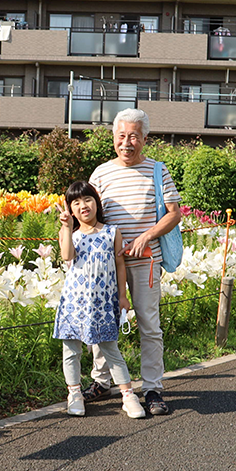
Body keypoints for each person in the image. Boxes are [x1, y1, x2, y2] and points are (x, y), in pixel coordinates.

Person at [84, 108, 181, 416]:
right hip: (108, 264)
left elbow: (174, 212)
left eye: (133, 137)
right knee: (102, 322)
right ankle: (101, 381)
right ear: (114, 137)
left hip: (146, 260)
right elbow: (88, 214)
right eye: (121, 136)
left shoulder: (158, 170)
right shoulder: (100, 173)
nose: (127, 143)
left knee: (149, 325)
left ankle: (152, 387)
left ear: (144, 139)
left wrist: (145, 236)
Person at [53, 181, 146, 419]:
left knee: (110, 350)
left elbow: (119, 265)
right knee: (71, 350)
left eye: (88, 200)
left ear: (97, 203)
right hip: (74, 303)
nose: (83, 206)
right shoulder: (71, 234)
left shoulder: (112, 232)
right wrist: (65, 227)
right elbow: (66, 256)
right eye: (76, 202)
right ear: (71, 210)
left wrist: (123, 297)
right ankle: (74, 394)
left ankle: (128, 395)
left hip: (103, 303)